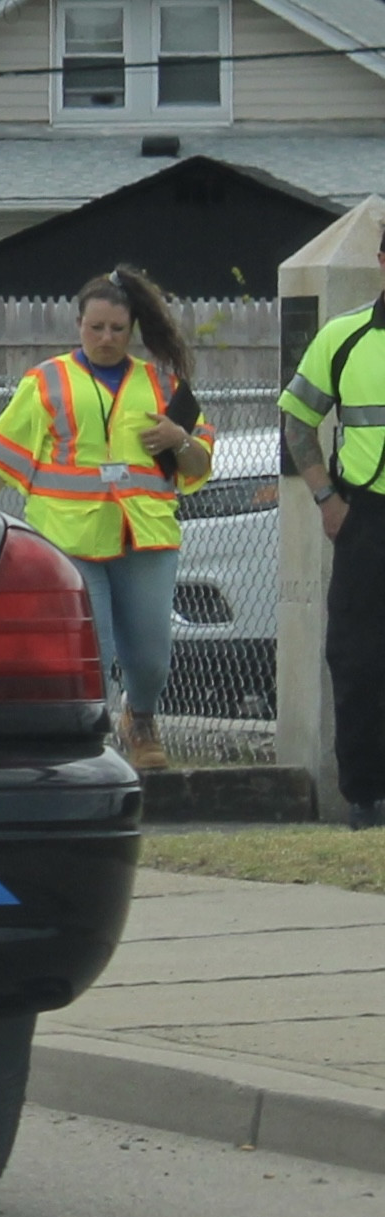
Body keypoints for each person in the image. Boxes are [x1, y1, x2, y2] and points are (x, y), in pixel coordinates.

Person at [0, 266, 214, 770]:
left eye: (117, 330)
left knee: (150, 656)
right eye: (95, 327)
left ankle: (139, 718)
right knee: (90, 650)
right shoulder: (46, 382)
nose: (105, 338)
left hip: (144, 538)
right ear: (78, 324)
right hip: (70, 541)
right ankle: (93, 742)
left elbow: (201, 464)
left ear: (132, 330)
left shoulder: (164, 385)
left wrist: (178, 439)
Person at [279, 226, 385, 830]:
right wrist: (325, 496)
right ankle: (365, 797)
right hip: (366, 517)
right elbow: (297, 418)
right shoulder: (343, 336)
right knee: (357, 659)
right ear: (380, 261)